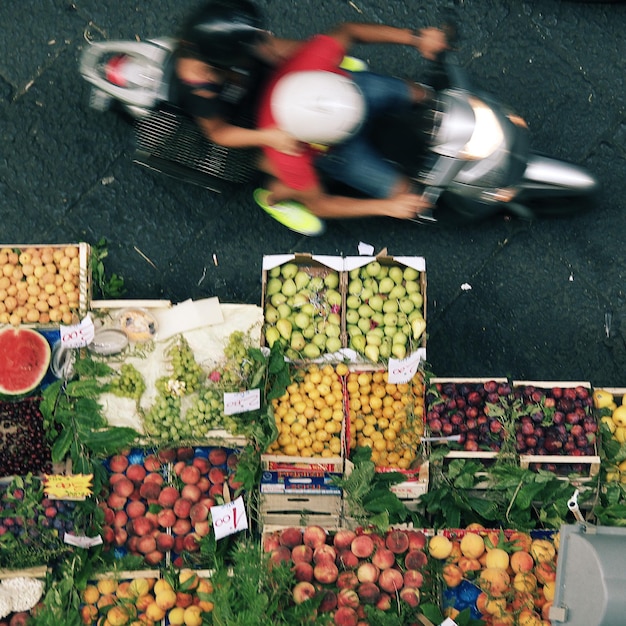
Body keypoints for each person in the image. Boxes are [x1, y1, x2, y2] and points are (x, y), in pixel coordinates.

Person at [255, 22, 449, 226]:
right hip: (336, 151)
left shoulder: (312, 60)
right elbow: (320, 205)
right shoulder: (287, 155)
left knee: (420, 94)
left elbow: (349, 31)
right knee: (410, 196)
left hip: (354, 90)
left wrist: (416, 38)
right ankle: (276, 196)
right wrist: (387, 206)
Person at [172, 0, 303, 156]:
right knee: (281, 160)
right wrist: (268, 137)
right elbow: (218, 132)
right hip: (244, 116)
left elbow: (272, 49)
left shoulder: (213, 40)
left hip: (253, 80)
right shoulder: (200, 88)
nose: (264, 35)